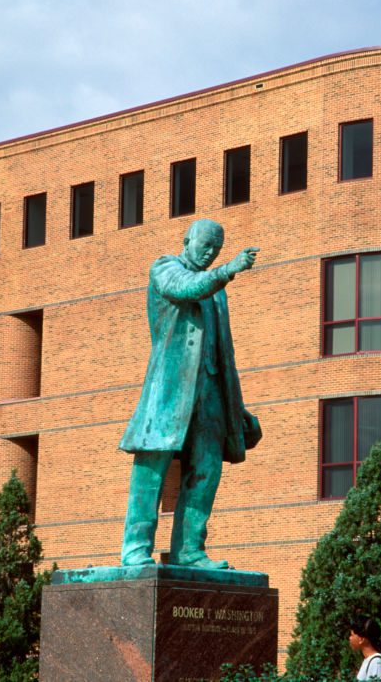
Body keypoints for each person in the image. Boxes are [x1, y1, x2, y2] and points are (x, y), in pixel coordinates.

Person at [119, 218, 261, 569]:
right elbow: (185, 289)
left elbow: (224, 352)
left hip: (212, 391)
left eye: (217, 248)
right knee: (151, 471)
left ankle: (189, 551)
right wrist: (229, 269)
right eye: (206, 245)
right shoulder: (165, 268)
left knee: (206, 471)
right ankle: (136, 550)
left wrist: (236, 405)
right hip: (169, 391)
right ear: (187, 240)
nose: (211, 252)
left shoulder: (217, 290)